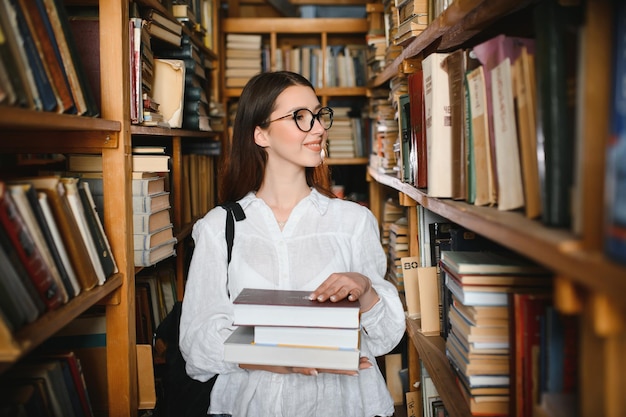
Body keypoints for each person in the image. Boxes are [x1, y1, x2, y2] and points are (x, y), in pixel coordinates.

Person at [179, 71, 406, 417]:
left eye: (318, 115)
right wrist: (275, 352)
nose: (318, 128)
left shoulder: (353, 222)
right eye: (300, 117)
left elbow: (385, 339)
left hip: (345, 406)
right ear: (260, 134)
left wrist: (366, 291)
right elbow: (196, 347)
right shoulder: (218, 228)